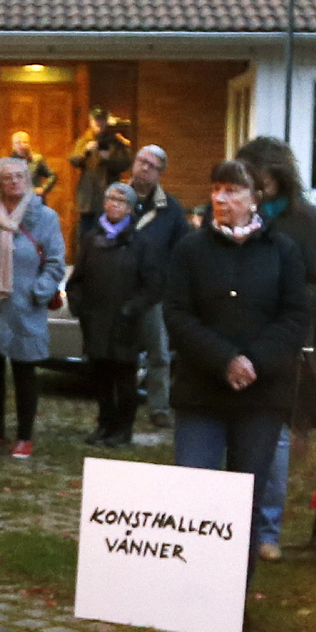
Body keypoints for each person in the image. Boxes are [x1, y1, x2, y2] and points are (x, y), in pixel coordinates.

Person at [167, 158, 307, 553]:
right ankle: (193, 597)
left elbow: (294, 318)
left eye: (232, 190)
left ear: (254, 198)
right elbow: (177, 314)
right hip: (201, 393)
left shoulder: (283, 251)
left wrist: (254, 362)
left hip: (260, 398)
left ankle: (234, 603)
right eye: (216, 189)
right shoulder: (190, 249)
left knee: (245, 502)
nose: (221, 198)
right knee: (197, 499)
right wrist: (224, 359)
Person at [241, 136, 316, 560]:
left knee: (273, 438)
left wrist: (287, 299)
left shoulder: (304, 221)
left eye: (261, 183)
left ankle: (267, 532)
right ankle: (227, 524)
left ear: (279, 178)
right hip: (234, 341)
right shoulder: (235, 214)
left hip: (283, 345)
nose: (255, 192)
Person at [0, 153, 65, 456]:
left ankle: (25, 436)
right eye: (7, 177)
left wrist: (39, 291)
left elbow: (56, 262)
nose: (14, 182)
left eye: (19, 176)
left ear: (28, 180)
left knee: (25, 370)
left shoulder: (44, 218)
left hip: (25, 307)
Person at [70, 180, 154, 445]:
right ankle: (105, 424)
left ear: (130, 208)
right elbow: (77, 279)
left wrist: (133, 309)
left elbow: (152, 285)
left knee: (125, 380)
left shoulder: (140, 242)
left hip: (125, 323)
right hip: (95, 320)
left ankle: (123, 429)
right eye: (109, 200)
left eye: (120, 202)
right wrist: (79, 306)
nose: (113, 206)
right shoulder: (91, 239)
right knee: (101, 378)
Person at [123, 143, 187, 425]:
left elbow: (183, 252)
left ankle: (159, 408)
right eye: (141, 161)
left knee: (158, 353)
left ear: (160, 173)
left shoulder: (171, 209)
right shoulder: (115, 197)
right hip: (118, 290)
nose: (144, 168)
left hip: (154, 294)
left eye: (152, 165)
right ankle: (118, 407)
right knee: (118, 353)